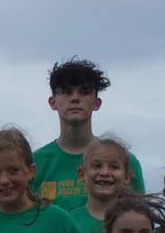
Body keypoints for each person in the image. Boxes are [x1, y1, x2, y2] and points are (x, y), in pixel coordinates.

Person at [32, 58, 145, 212]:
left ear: (96, 103)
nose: (75, 98)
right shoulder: (35, 163)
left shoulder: (123, 161)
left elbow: (140, 220)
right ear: (52, 102)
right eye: (66, 92)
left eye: (84, 92)